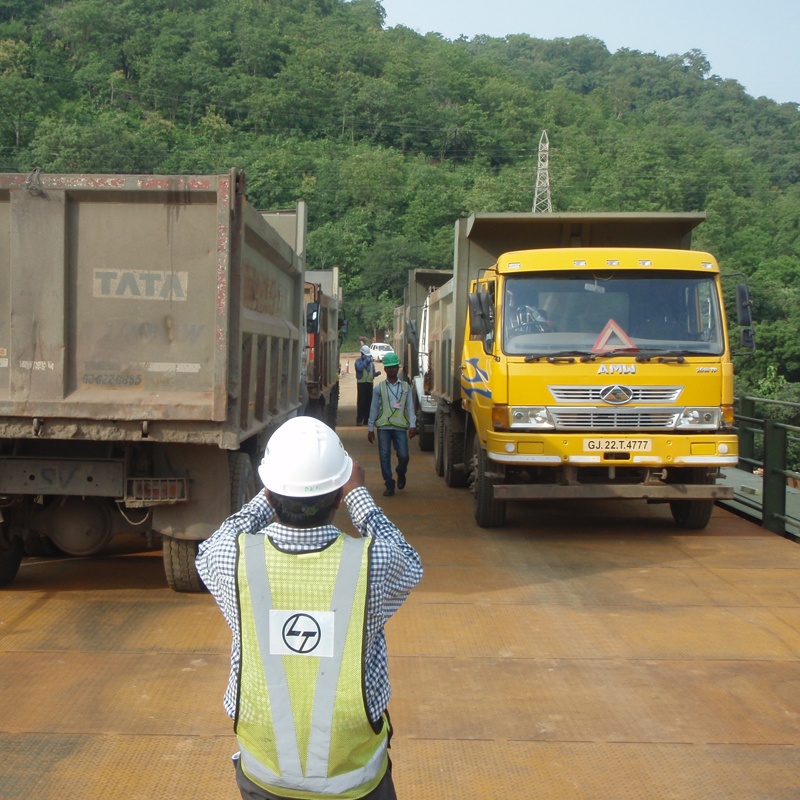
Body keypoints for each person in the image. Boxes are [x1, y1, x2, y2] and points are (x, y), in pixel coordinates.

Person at [196, 416, 422, 800]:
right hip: (356, 781)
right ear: (339, 497)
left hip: (265, 776)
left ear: (268, 492)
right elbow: (409, 560)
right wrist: (359, 497)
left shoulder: (230, 560)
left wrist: (268, 494)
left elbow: (220, 537)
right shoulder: (373, 563)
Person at [367, 352, 417, 497]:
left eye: (394, 367)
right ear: (385, 370)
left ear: (397, 368)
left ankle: (401, 472)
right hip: (383, 428)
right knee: (384, 456)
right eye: (389, 367)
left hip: (400, 427)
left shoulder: (406, 387)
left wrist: (413, 425)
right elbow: (374, 408)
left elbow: (410, 407)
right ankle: (389, 483)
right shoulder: (379, 388)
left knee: (404, 455)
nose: (392, 370)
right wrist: (370, 428)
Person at [354, 344, 380, 426]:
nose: (367, 357)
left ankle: (367, 420)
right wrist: (365, 361)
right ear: (362, 354)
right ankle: (359, 420)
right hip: (361, 384)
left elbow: (372, 373)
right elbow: (359, 368)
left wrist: (376, 374)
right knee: (361, 402)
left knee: (369, 402)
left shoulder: (371, 364)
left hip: (369, 384)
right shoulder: (358, 361)